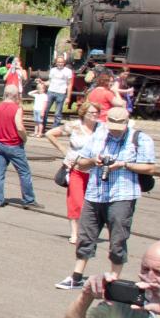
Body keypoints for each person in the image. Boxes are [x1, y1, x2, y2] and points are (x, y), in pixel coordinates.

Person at [69, 107, 158, 286]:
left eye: (118, 128)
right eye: (111, 127)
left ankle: (114, 278)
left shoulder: (140, 138)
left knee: (118, 238)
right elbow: (80, 162)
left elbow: (150, 168)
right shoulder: (98, 135)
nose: (114, 131)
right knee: (85, 236)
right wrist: (94, 161)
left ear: (126, 123)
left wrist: (124, 164)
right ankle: (76, 276)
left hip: (122, 194)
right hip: (95, 193)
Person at [50, 101, 105, 288]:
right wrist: (64, 151)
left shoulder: (102, 129)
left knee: (92, 202)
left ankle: (86, 231)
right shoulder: (74, 126)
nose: (94, 115)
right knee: (76, 201)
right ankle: (75, 233)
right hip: (75, 168)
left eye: (97, 112)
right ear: (83, 113)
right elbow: (51, 134)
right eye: (91, 112)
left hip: (94, 170)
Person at [47, 54, 74, 129]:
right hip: (51, 91)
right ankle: (42, 128)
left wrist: (68, 97)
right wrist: (42, 82)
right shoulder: (52, 70)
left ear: (64, 63)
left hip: (61, 93)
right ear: (56, 63)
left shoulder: (68, 71)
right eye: (58, 62)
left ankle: (55, 128)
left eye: (61, 62)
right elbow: (49, 82)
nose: (60, 63)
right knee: (45, 110)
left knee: (57, 113)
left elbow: (69, 84)